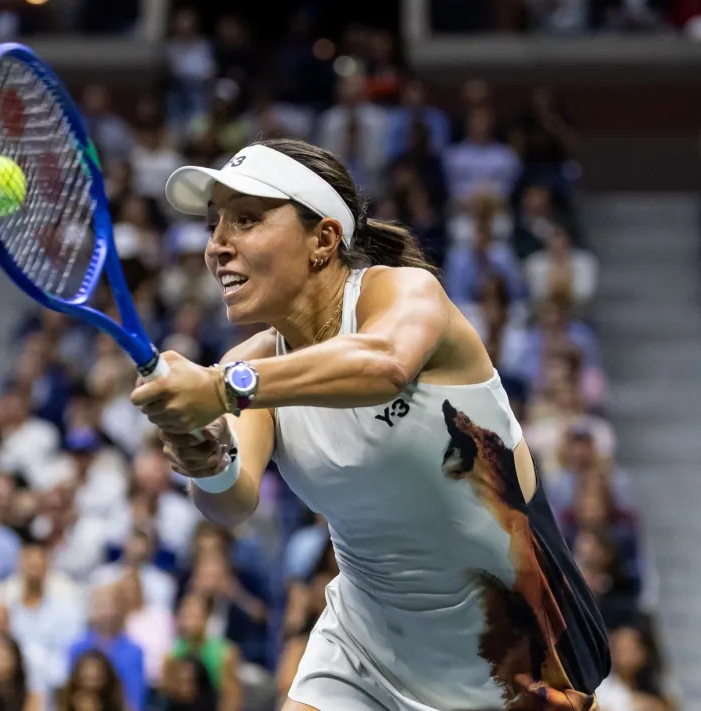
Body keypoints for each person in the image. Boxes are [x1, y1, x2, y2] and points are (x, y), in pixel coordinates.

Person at [132, 137, 610, 710]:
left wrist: (218, 389)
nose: (217, 247)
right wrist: (201, 456)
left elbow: (383, 364)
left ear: (324, 239)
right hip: (364, 649)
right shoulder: (248, 370)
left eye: (247, 221)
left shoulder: (405, 293)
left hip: (514, 654)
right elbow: (230, 501)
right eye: (214, 226)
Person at [56, 648, 127, 711]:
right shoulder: (63, 702)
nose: (90, 686)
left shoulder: (117, 704)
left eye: (95, 679)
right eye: (85, 678)